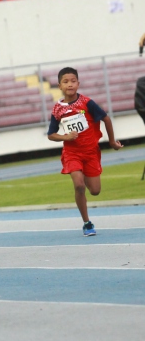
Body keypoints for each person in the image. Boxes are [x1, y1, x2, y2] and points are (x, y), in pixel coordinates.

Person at [47, 67, 123, 236]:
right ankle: (87, 223)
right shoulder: (57, 109)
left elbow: (106, 118)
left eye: (73, 81)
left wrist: (111, 141)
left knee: (95, 191)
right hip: (72, 153)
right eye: (66, 82)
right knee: (79, 185)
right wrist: (65, 137)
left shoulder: (87, 103)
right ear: (59, 86)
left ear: (78, 84)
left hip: (90, 152)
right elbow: (51, 135)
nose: (70, 84)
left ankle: (86, 180)